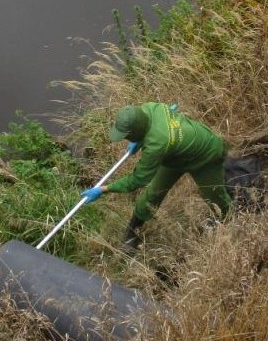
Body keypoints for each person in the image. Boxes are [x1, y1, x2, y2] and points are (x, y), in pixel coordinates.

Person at [81, 102, 231, 251]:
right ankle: (131, 235)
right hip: (175, 154)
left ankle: (227, 222)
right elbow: (169, 109)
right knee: (153, 194)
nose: (125, 139)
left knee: (215, 198)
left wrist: (103, 189)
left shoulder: (156, 145)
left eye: (127, 136)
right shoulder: (150, 108)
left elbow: (137, 180)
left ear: (136, 131)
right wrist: (139, 141)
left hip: (206, 155)